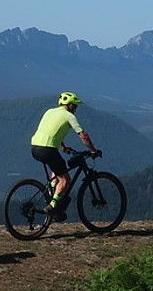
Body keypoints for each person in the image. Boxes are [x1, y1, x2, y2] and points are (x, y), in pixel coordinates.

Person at [29, 92, 100, 220]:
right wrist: (93, 150)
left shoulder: (49, 111)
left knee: (56, 171)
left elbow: (51, 130)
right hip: (48, 150)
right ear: (71, 105)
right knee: (65, 179)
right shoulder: (69, 116)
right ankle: (52, 206)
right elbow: (83, 135)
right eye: (76, 106)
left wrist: (63, 147)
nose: (76, 109)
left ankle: (51, 194)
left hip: (35, 148)